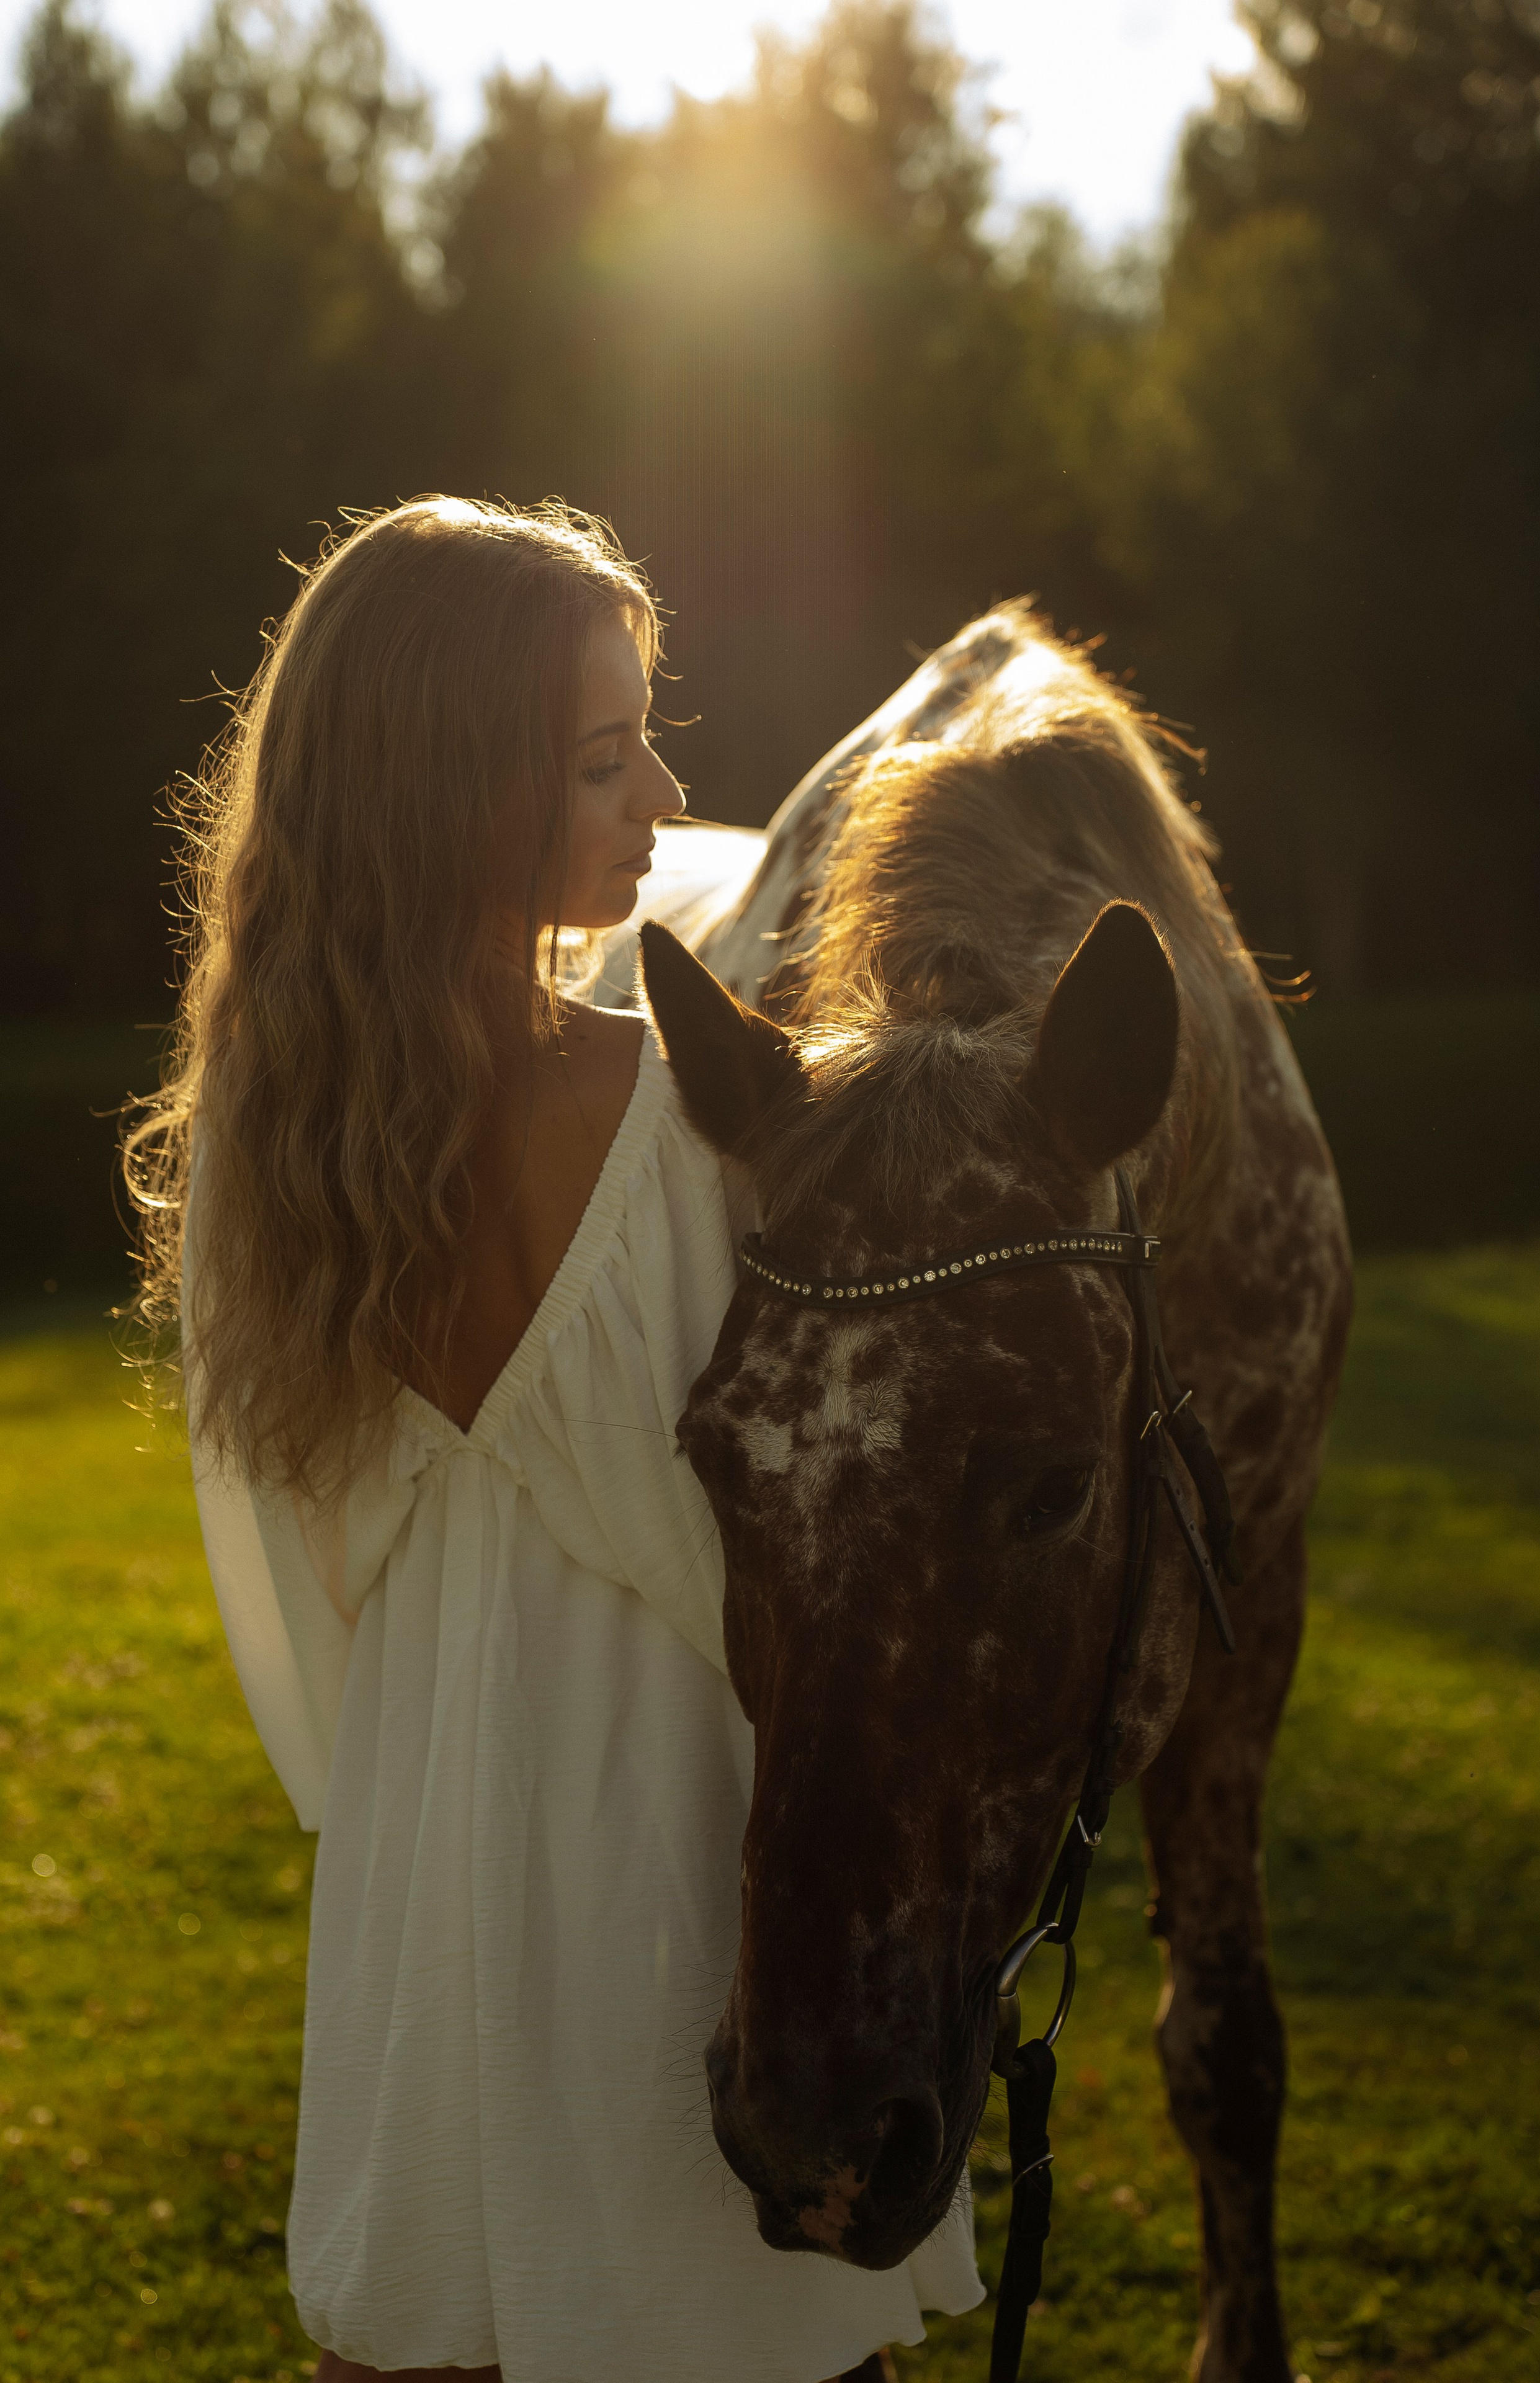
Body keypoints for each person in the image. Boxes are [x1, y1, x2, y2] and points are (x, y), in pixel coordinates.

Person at [123, 498, 982, 2382]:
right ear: (450, 790)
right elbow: (805, 1543)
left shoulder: (259, 1167)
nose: (663, 790)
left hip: (425, 1911)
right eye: (603, 757)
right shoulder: (702, 1116)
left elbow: (304, 1638)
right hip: (693, 1888)